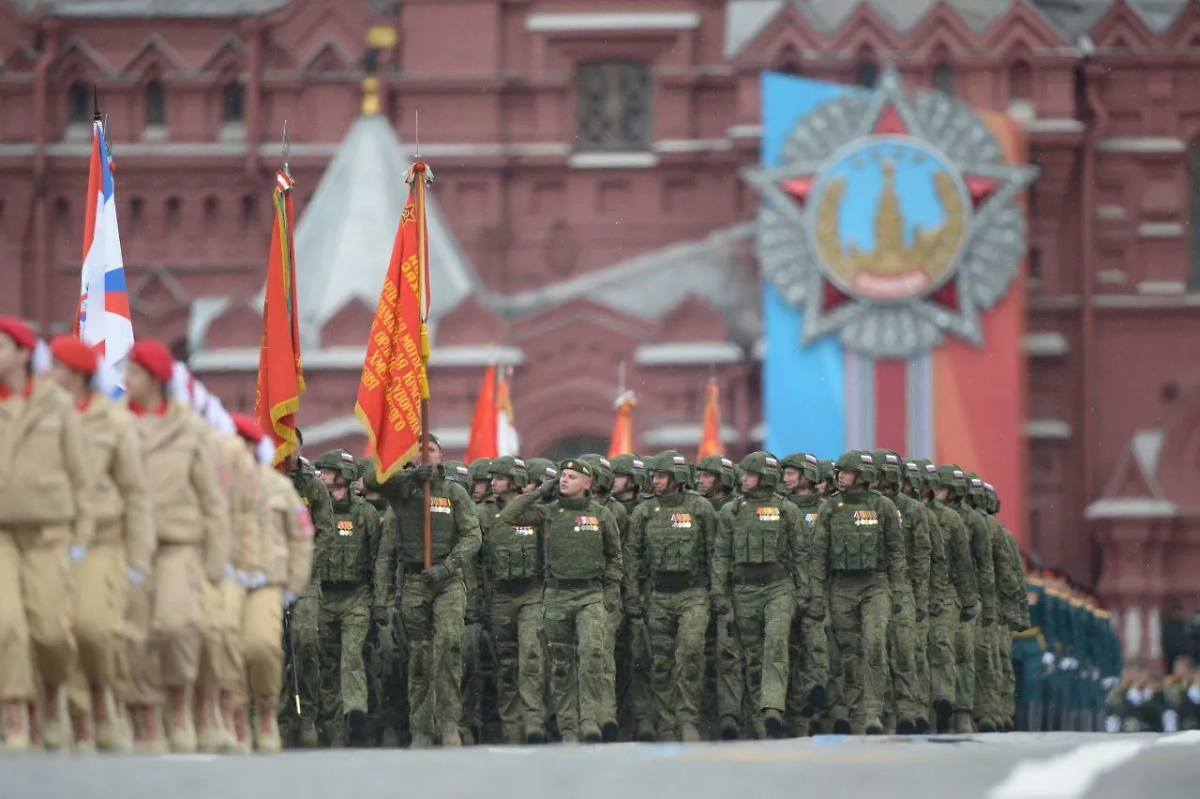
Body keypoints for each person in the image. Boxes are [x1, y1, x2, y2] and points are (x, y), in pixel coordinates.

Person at [122, 339, 229, 753]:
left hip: (178, 544)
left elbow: (212, 500)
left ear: (155, 379)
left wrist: (216, 559)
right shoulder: (118, 424)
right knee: (135, 635)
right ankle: (149, 715)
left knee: (175, 625)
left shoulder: (191, 429)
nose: (126, 379)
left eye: (134, 372)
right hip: (130, 545)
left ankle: (181, 705)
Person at [48, 335, 152, 753]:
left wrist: (138, 556)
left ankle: (103, 695)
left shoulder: (114, 421)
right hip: (51, 538)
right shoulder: (41, 414)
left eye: (57, 367)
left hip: (102, 542)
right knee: (56, 632)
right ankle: (79, 717)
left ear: (77, 374)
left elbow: (135, 493)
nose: (49, 374)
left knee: (92, 629)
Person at [0, 317, 93, 751]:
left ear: (23, 354)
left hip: (50, 533)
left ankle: (53, 693)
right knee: (7, 626)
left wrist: (81, 537)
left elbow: (81, 476)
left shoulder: (56, 404)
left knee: (51, 632)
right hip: (2, 535)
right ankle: (17, 715)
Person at [492, 459, 622, 743]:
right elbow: (509, 516)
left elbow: (615, 555)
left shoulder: (600, 514)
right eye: (563, 475)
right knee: (561, 663)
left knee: (591, 653)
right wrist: (541, 489)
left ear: (587, 483)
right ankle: (568, 726)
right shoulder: (548, 513)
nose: (565, 480)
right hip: (556, 596)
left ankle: (589, 719)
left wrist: (610, 592)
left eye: (572, 477)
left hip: (590, 595)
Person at [370, 435, 482, 748]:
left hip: (447, 581)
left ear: (440, 456)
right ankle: (420, 727)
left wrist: (447, 567)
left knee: (448, 647)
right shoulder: (401, 493)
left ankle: (449, 723)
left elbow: (472, 536)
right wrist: (408, 477)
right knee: (419, 656)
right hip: (415, 582)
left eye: (430, 451)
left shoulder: (454, 492)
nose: (425, 455)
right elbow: (371, 479)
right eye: (418, 451)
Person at [229, 414, 314, 753]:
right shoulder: (216, 485)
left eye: (244, 444)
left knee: (262, 647)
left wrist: (294, 583)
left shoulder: (280, 488)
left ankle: (265, 709)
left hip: (268, 580)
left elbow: (301, 537)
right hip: (226, 579)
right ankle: (237, 717)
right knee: (225, 649)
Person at [712, 451, 808, 740]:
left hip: (778, 588)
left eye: (750, 474)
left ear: (764, 477)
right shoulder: (731, 511)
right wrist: (719, 593)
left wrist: (805, 593)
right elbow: (721, 554)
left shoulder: (786, 510)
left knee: (775, 645)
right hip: (744, 591)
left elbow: (800, 554)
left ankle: (773, 708)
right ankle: (761, 726)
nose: (744, 479)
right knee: (752, 658)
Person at [810, 451, 906, 735]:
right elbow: (819, 555)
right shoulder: (830, 507)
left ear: (862, 476)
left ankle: (873, 711)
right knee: (849, 653)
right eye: (839, 472)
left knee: (875, 644)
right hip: (841, 587)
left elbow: (896, 552)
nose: (840, 477)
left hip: (875, 585)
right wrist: (817, 595)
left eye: (847, 472)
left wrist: (898, 593)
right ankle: (855, 713)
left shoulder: (883, 506)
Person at [624, 451, 717, 742]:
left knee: (690, 652)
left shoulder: (700, 508)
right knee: (660, 661)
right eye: (655, 476)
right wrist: (634, 596)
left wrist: (717, 594)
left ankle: (687, 718)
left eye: (662, 476)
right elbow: (632, 556)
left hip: (693, 593)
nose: (656, 481)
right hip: (658, 596)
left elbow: (715, 553)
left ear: (677, 478)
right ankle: (666, 723)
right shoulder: (644, 511)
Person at [312, 449, 380, 746]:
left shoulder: (365, 513)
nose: (321, 477)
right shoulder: (316, 510)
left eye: (326, 472)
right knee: (327, 664)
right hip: (323, 597)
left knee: (352, 656)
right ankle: (334, 732)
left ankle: (356, 715)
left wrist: (378, 601)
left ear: (342, 475)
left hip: (356, 597)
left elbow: (378, 559)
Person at [480, 456, 547, 744]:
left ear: (515, 480)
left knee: (531, 657)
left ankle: (534, 722)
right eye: (492, 478)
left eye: (499, 478)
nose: (493, 483)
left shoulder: (536, 514)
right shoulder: (483, 514)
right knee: (506, 664)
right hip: (500, 598)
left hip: (531, 595)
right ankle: (511, 727)